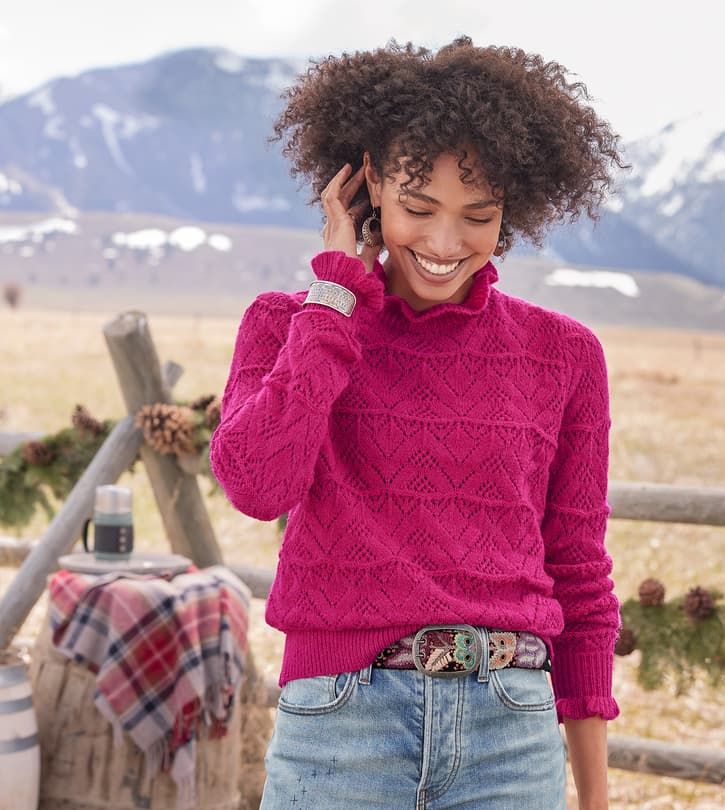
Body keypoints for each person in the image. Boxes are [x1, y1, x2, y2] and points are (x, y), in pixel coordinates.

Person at [210, 36, 626, 810]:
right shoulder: (288, 325)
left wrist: (595, 796)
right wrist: (335, 296)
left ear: (512, 209)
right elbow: (257, 483)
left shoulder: (564, 356)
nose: (443, 243)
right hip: (341, 728)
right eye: (419, 208)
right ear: (367, 183)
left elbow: (579, 576)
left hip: (513, 735)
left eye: (478, 216)